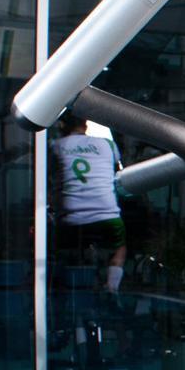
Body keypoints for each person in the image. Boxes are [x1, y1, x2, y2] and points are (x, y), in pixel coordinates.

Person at [48, 110, 127, 293]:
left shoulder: (56, 146)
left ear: (62, 127)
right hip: (106, 215)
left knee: (59, 250)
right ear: (85, 125)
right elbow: (117, 170)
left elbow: (49, 174)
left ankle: (60, 288)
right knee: (119, 249)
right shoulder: (107, 145)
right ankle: (111, 288)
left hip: (71, 218)